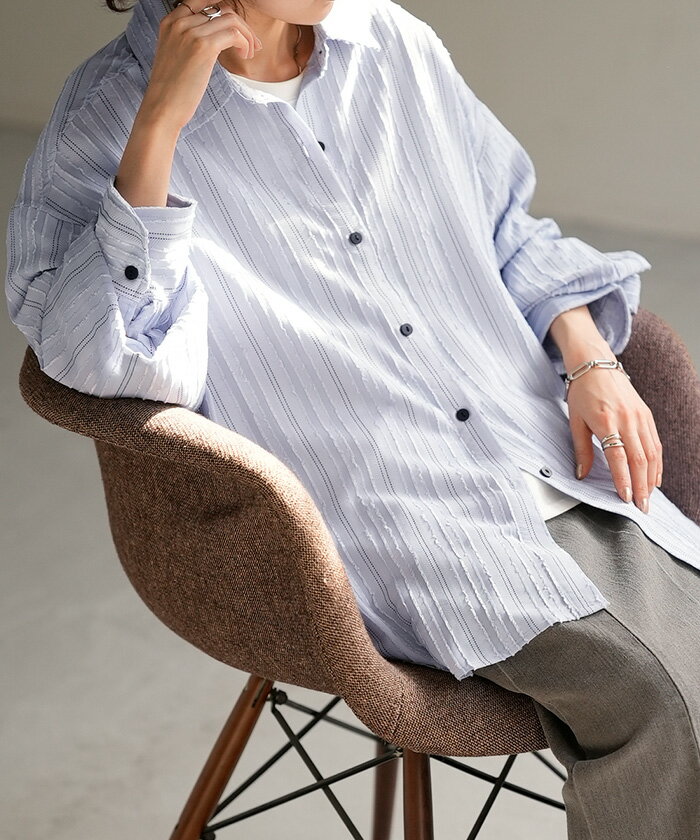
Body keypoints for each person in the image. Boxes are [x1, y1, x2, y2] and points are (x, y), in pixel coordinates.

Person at [5, 0, 700, 834]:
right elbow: (98, 364)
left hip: (546, 451)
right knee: (659, 703)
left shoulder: (391, 43)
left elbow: (508, 227)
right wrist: (158, 127)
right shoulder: (105, 115)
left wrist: (590, 359)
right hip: (384, 519)